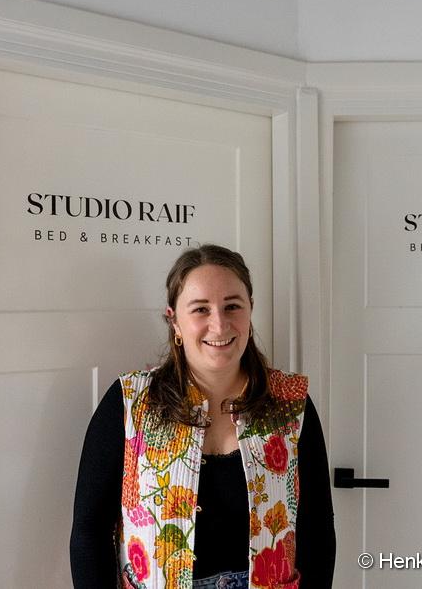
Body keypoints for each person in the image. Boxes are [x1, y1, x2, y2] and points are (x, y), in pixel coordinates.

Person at [70, 244, 336, 589]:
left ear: (250, 310)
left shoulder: (290, 402)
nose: (219, 324)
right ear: (174, 320)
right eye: (200, 309)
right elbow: (89, 529)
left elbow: (317, 526)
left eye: (232, 306)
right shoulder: (130, 401)